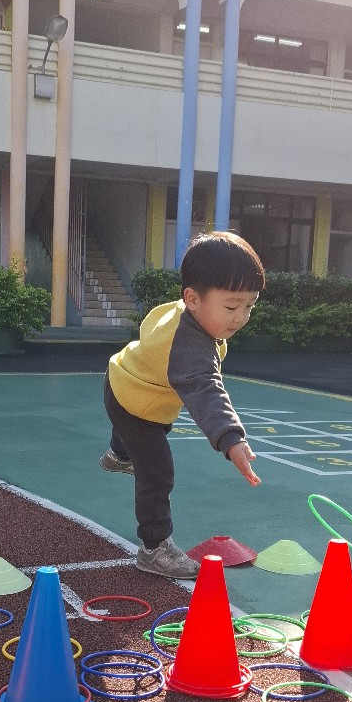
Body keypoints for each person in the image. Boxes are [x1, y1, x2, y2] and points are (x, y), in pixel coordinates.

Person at [100, 232, 264, 579]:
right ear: (193, 299)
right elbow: (206, 390)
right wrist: (231, 438)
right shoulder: (190, 346)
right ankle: (154, 548)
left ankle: (119, 454)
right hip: (136, 404)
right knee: (158, 472)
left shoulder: (184, 311)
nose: (240, 317)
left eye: (249, 306)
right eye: (231, 307)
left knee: (157, 425)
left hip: (122, 379)